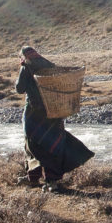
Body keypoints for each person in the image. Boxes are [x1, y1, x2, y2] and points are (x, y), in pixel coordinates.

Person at [15, 45, 94, 192]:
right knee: (53, 144)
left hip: (34, 113)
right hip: (53, 111)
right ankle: (52, 181)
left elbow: (19, 89)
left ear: (23, 57)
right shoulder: (49, 64)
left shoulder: (26, 67)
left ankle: (33, 177)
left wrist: (22, 69)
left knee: (32, 144)